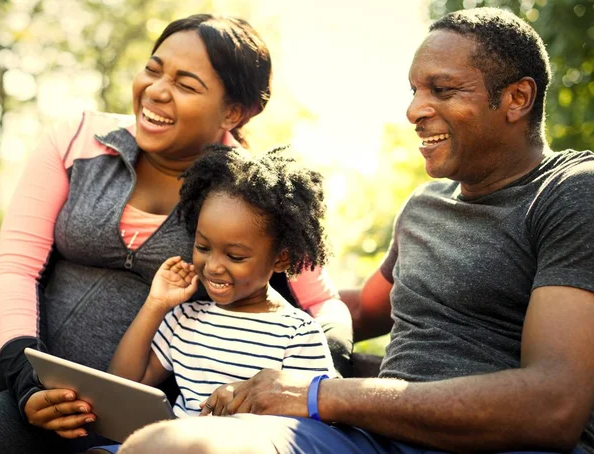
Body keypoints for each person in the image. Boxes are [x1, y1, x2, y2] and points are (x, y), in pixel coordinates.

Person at [116, 7, 594, 454]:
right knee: (161, 443)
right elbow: (364, 308)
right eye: (414, 91)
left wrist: (322, 394)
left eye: (442, 91)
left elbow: (554, 403)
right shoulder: (425, 207)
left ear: (517, 98)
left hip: (488, 444)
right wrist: (238, 288)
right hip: (374, 439)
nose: (414, 111)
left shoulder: (570, 192)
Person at [0, 14, 351, 454]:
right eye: (153, 68)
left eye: (186, 84)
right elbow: (14, 267)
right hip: (29, 386)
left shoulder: (250, 198)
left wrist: (313, 372)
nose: (156, 90)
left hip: (138, 425)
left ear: (233, 111)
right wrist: (26, 384)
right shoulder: (76, 140)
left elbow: (321, 302)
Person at [90, 146, 336, 453]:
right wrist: (156, 305)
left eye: (235, 256)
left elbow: (317, 426)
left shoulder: (297, 334)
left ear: (281, 259)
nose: (214, 265)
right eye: (203, 247)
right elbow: (124, 382)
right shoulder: (185, 318)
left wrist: (246, 402)